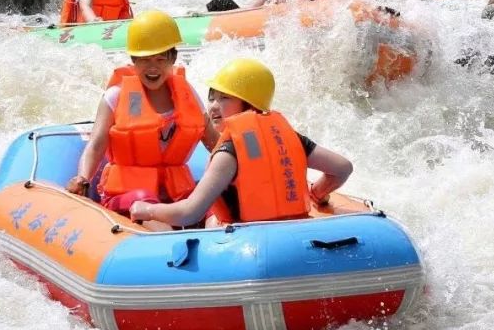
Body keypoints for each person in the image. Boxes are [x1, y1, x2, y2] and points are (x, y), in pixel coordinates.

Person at [130, 58, 353, 227]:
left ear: (249, 104)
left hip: (247, 243)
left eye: (225, 98)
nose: (214, 106)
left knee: (206, 219)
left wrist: (147, 210)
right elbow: (342, 168)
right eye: (212, 97)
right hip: (295, 230)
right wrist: (317, 194)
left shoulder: (228, 152)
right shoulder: (290, 137)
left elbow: (190, 213)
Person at [66, 10, 215, 214]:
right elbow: (96, 144)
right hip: (128, 196)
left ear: (173, 59)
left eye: (160, 59)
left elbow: (213, 141)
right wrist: (83, 177)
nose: (152, 68)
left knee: (214, 203)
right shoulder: (115, 96)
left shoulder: (187, 94)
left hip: (175, 194)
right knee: (144, 201)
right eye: (145, 60)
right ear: (134, 61)